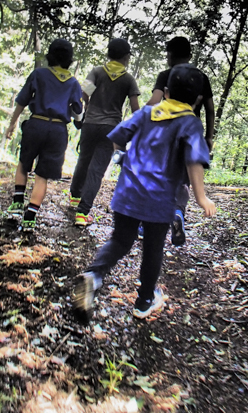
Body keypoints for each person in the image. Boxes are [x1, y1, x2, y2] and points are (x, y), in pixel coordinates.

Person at [72, 63, 216, 324]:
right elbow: (194, 162)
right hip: (159, 200)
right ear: (196, 99)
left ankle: (93, 276)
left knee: (120, 240)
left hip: (127, 193)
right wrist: (200, 197)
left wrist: (121, 155)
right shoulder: (190, 123)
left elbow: (118, 135)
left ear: (167, 91)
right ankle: (144, 300)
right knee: (152, 248)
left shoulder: (147, 113)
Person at [5, 38, 83, 229]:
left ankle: (16, 204)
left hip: (36, 124)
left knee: (24, 164)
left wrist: (12, 124)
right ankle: (30, 215)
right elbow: (78, 110)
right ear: (69, 59)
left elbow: (22, 100)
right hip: (57, 131)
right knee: (42, 175)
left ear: (50, 55)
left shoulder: (38, 74)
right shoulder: (73, 83)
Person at [145, 36, 215, 246]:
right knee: (182, 181)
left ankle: (145, 221)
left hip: (163, 132)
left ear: (170, 54)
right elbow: (210, 109)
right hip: (190, 133)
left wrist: (141, 121)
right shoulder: (200, 77)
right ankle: (177, 212)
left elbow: (154, 103)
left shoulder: (166, 75)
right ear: (190, 55)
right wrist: (209, 137)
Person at [70, 38, 140, 227]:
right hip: (111, 129)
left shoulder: (97, 72)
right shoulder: (128, 79)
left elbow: (83, 95)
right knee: (97, 170)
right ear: (126, 57)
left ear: (108, 54)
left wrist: (87, 110)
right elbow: (135, 108)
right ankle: (82, 213)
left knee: (83, 160)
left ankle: (75, 197)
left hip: (90, 124)